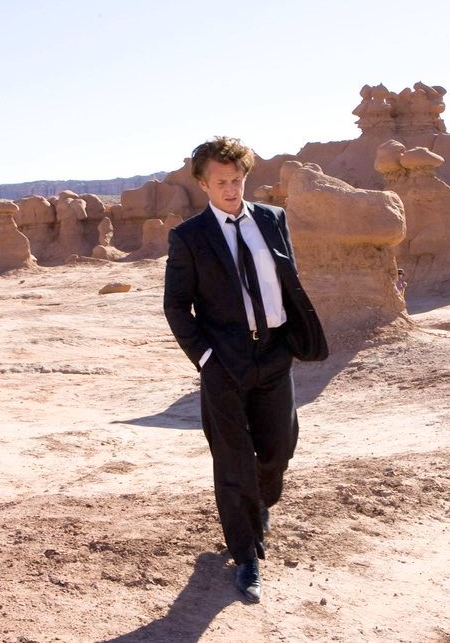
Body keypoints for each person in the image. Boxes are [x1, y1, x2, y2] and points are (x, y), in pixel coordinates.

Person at [163, 136, 327, 604]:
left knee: (278, 450)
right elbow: (176, 305)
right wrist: (206, 359)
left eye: (237, 180)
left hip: (274, 354)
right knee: (233, 462)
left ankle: (259, 503)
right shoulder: (189, 237)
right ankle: (246, 555)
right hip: (224, 364)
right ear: (203, 184)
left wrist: (290, 339)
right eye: (221, 182)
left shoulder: (273, 220)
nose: (231, 189)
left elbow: (287, 280)